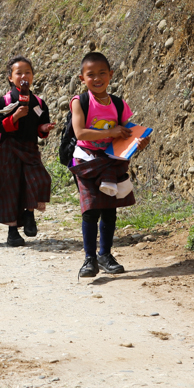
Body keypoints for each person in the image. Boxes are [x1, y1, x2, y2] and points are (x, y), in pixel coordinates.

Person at [68, 52, 149, 278]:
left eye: (102, 73)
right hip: (85, 160)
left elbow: (126, 134)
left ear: (110, 75)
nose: (97, 78)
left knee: (109, 211)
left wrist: (139, 142)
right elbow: (80, 132)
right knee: (90, 210)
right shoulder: (80, 102)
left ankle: (105, 255)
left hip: (111, 162)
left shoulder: (119, 104)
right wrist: (110, 131)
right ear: (82, 78)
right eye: (90, 74)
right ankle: (89, 259)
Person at [0, 56, 56, 247]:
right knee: (11, 190)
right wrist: (14, 117)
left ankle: (29, 214)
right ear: (10, 77)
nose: (24, 76)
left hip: (30, 149)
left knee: (38, 180)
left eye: (28, 72)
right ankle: (12, 232)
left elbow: (41, 124)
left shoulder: (38, 102)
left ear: (32, 76)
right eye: (19, 73)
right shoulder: (5, 100)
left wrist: (45, 128)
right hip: (9, 151)